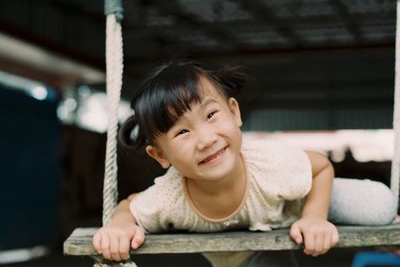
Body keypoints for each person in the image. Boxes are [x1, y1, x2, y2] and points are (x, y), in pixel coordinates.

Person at [92, 60, 397, 267]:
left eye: (211, 115)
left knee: (380, 205)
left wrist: (315, 217)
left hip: (297, 200)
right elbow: (130, 207)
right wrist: (119, 226)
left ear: (234, 113)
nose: (206, 139)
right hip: (247, 254)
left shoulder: (271, 162)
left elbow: (320, 167)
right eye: (182, 132)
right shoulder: (169, 197)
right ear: (161, 156)